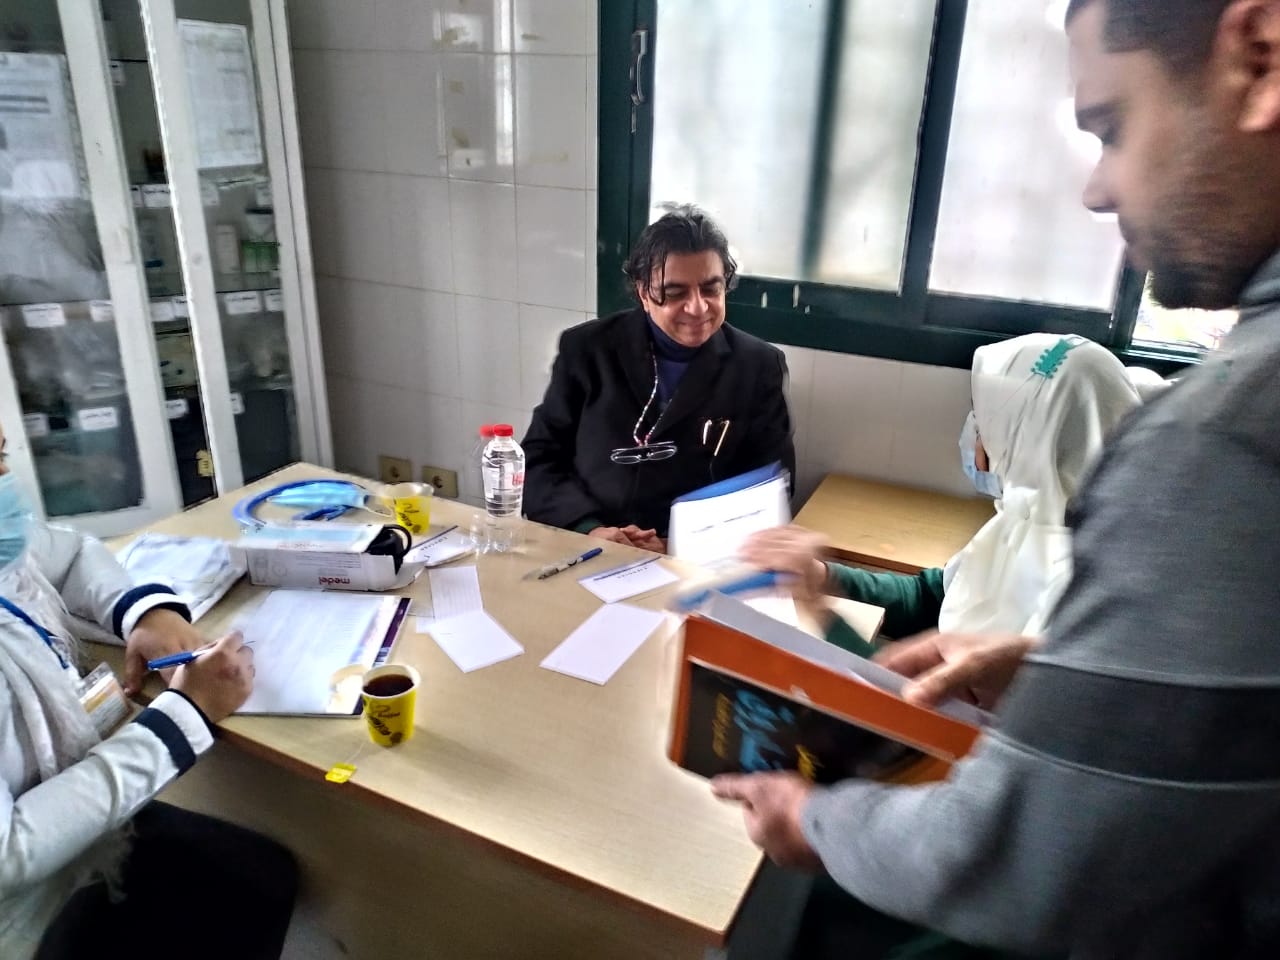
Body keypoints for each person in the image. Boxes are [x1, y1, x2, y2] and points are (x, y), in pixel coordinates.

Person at [712, 0, 1280, 957]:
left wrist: (815, 821)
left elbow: (1027, 852)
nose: (1096, 189)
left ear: (1260, 57)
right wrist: (1030, 661)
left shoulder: (1216, 446)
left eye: (1111, 126)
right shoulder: (1042, 516)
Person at [0, 424, 297, 959]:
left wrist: (143, 613)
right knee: (246, 886)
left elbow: (68, 556)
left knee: (261, 875)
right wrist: (184, 718)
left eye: (0, 454)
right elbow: (9, 855)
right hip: (26, 916)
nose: (6, 479)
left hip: (72, 837)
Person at [743, 333, 1143, 655]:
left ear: (1028, 439)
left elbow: (925, 708)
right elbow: (932, 596)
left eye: (984, 420)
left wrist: (822, 614)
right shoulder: (1026, 520)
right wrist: (824, 576)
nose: (975, 434)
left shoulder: (1079, 592)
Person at [522, 206, 796, 552]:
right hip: (588, 546)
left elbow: (771, 486)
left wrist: (678, 546)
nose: (697, 308)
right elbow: (538, 459)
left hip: (699, 560)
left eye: (711, 289)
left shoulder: (757, 366)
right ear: (643, 292)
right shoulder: (587, 350)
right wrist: (588, 529)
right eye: (676, 293)